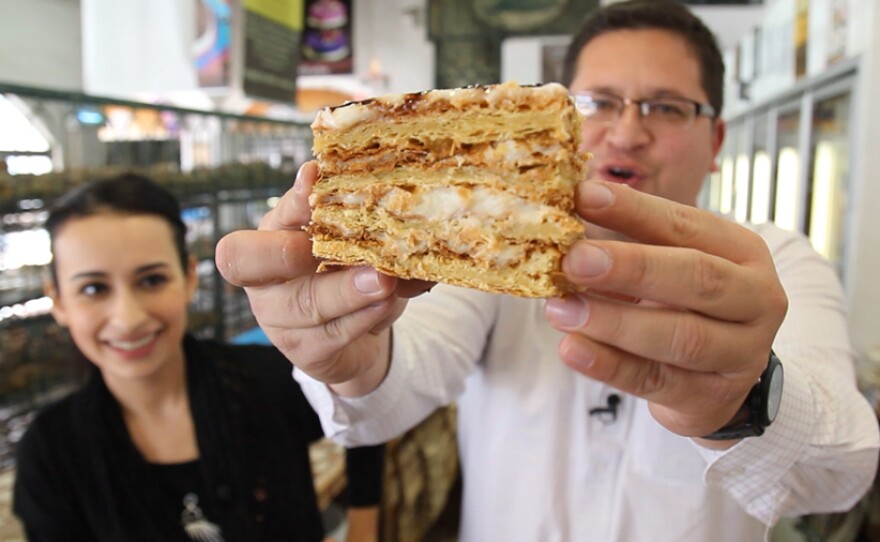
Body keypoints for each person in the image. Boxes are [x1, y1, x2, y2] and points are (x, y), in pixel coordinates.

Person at [214, 1, 880, 540]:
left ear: (716, 141)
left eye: (667, 107)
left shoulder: (776, 263)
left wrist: (745, 398)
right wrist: (347, 348)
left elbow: (842, 471)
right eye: (599, 103)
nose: (625, 133)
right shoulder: (483, 250)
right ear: (559, 124)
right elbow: (398, 377)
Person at [12, 173, 384, 542]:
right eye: (93, 288)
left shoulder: (266, 380)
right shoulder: (50, 453)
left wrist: (363, 528)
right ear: (58, 300)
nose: (127, 319)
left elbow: (364, 419)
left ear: (189, 277)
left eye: (152, 280)